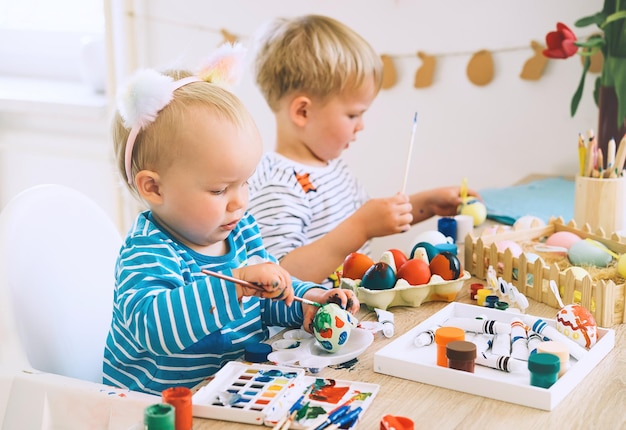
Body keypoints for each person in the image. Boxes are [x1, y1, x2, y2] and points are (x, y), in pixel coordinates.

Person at [103, 43, 358, 395]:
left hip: (231, 396)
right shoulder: (147, 252)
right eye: (220, 189)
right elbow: (155, 328)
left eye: (245, 183)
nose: (240, 201)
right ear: (154, 188)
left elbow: (269, 296)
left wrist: (309, 300)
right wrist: (235, 283)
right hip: (159, 412)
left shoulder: (241, 231)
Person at [248, 15, 480, 286]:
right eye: (352, 115)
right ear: (303, 111)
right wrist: (360, 228)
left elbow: (374, 217)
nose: (361, 126)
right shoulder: (277, 185)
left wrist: (428, 204)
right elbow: (278, 277)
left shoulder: (332, 168)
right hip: (310, 326)